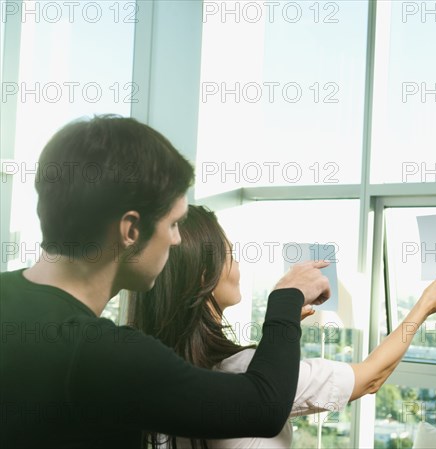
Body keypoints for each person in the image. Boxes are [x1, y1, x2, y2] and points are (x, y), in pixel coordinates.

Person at [0, 115, 332, 449]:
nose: (175, 241)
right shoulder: (104, 354)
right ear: (131, 230)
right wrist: (286, 301)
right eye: (173, 224)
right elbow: (263, 406)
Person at [129, 205, 436, 449]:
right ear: (206, 275)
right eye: (231, 255)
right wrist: (425, 307)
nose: (239, 265)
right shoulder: (248, 374)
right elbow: (373, 375)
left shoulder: (159, 370)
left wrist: (282, 337)